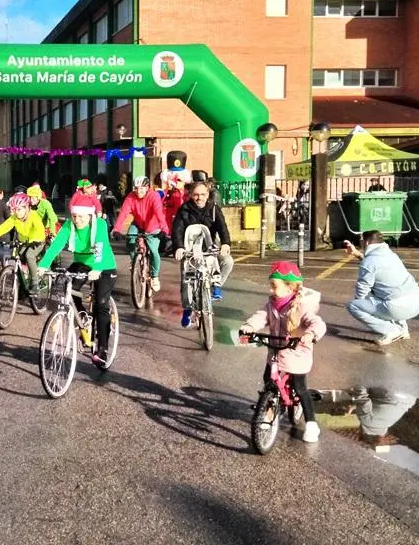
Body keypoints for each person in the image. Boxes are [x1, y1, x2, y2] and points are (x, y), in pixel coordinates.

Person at [240, 261, 327, 443]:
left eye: (274, 286)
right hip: (276, 351)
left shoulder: (302, 306)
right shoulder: (271, 303)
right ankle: (269, 410)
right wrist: (249, 327)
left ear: (290, 287)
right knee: (268, 381)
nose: (271, 290)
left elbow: (316, 323)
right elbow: (261, 316)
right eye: (270, 286)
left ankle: (311, 424)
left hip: (297, 353)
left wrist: (310, 334)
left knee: (300, 388)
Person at [38, 192, 118, 363]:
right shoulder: (69, 225)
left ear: (90, 214)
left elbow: (100, 246)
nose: (77, 220)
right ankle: (82, 318)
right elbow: (56, 245)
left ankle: (102, 349)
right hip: (81, 263)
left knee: (101, 305)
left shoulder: (100, 224)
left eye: (81, 216)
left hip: (103, 264)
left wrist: (97, 269)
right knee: (68, 289)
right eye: (74, 216)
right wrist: (44, 264)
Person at [343, 230, 419, 345]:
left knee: (354, 306)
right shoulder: (391, 255)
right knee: (389, 291)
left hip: (398, 308)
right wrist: (356, 254)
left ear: (366, 243)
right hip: (417, 303)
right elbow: (373, 263)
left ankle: (392, 330)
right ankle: (403, 329)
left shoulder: (369, 262)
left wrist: (361, 304)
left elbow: (362, 291)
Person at [172, 182, 233, 327]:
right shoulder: (184, 209)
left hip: (210, 247)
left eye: (203, 194)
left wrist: (225, 243)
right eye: (196, 194)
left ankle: (214, 286)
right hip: (190, 250)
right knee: (186, 281)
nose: (199, 198)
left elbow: (222, 227)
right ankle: (187, 309)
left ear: (208, 194)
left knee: (227, 261)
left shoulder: (214, 209)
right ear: (191, 195)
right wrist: (179, 247)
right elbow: (177, 230)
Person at [112, 176, 168, 292]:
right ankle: (134, 262)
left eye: (141, 188)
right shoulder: (131, 197)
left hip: (153, 226)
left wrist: (164, 229)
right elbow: (123, 213)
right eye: (136, 188)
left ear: (147, 187)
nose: (138, 191)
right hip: (137, 223)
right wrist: (116, 229)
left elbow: (159, 213)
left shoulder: (153, 196)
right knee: (130, 240)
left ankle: (155, 276)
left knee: (153, 251)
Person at [0, 193, 46, 293]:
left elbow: (40, 230)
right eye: (14, 209)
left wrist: (36, 239)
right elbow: (3, 227)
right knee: (18, 259)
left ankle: (35, 283)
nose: (16, 212)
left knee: (29, 255)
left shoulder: (34, 216)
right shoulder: (14, 218)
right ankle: (23, 286)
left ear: (26, 208)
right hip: (24, 242)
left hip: (37, 242)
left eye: (19, 209)